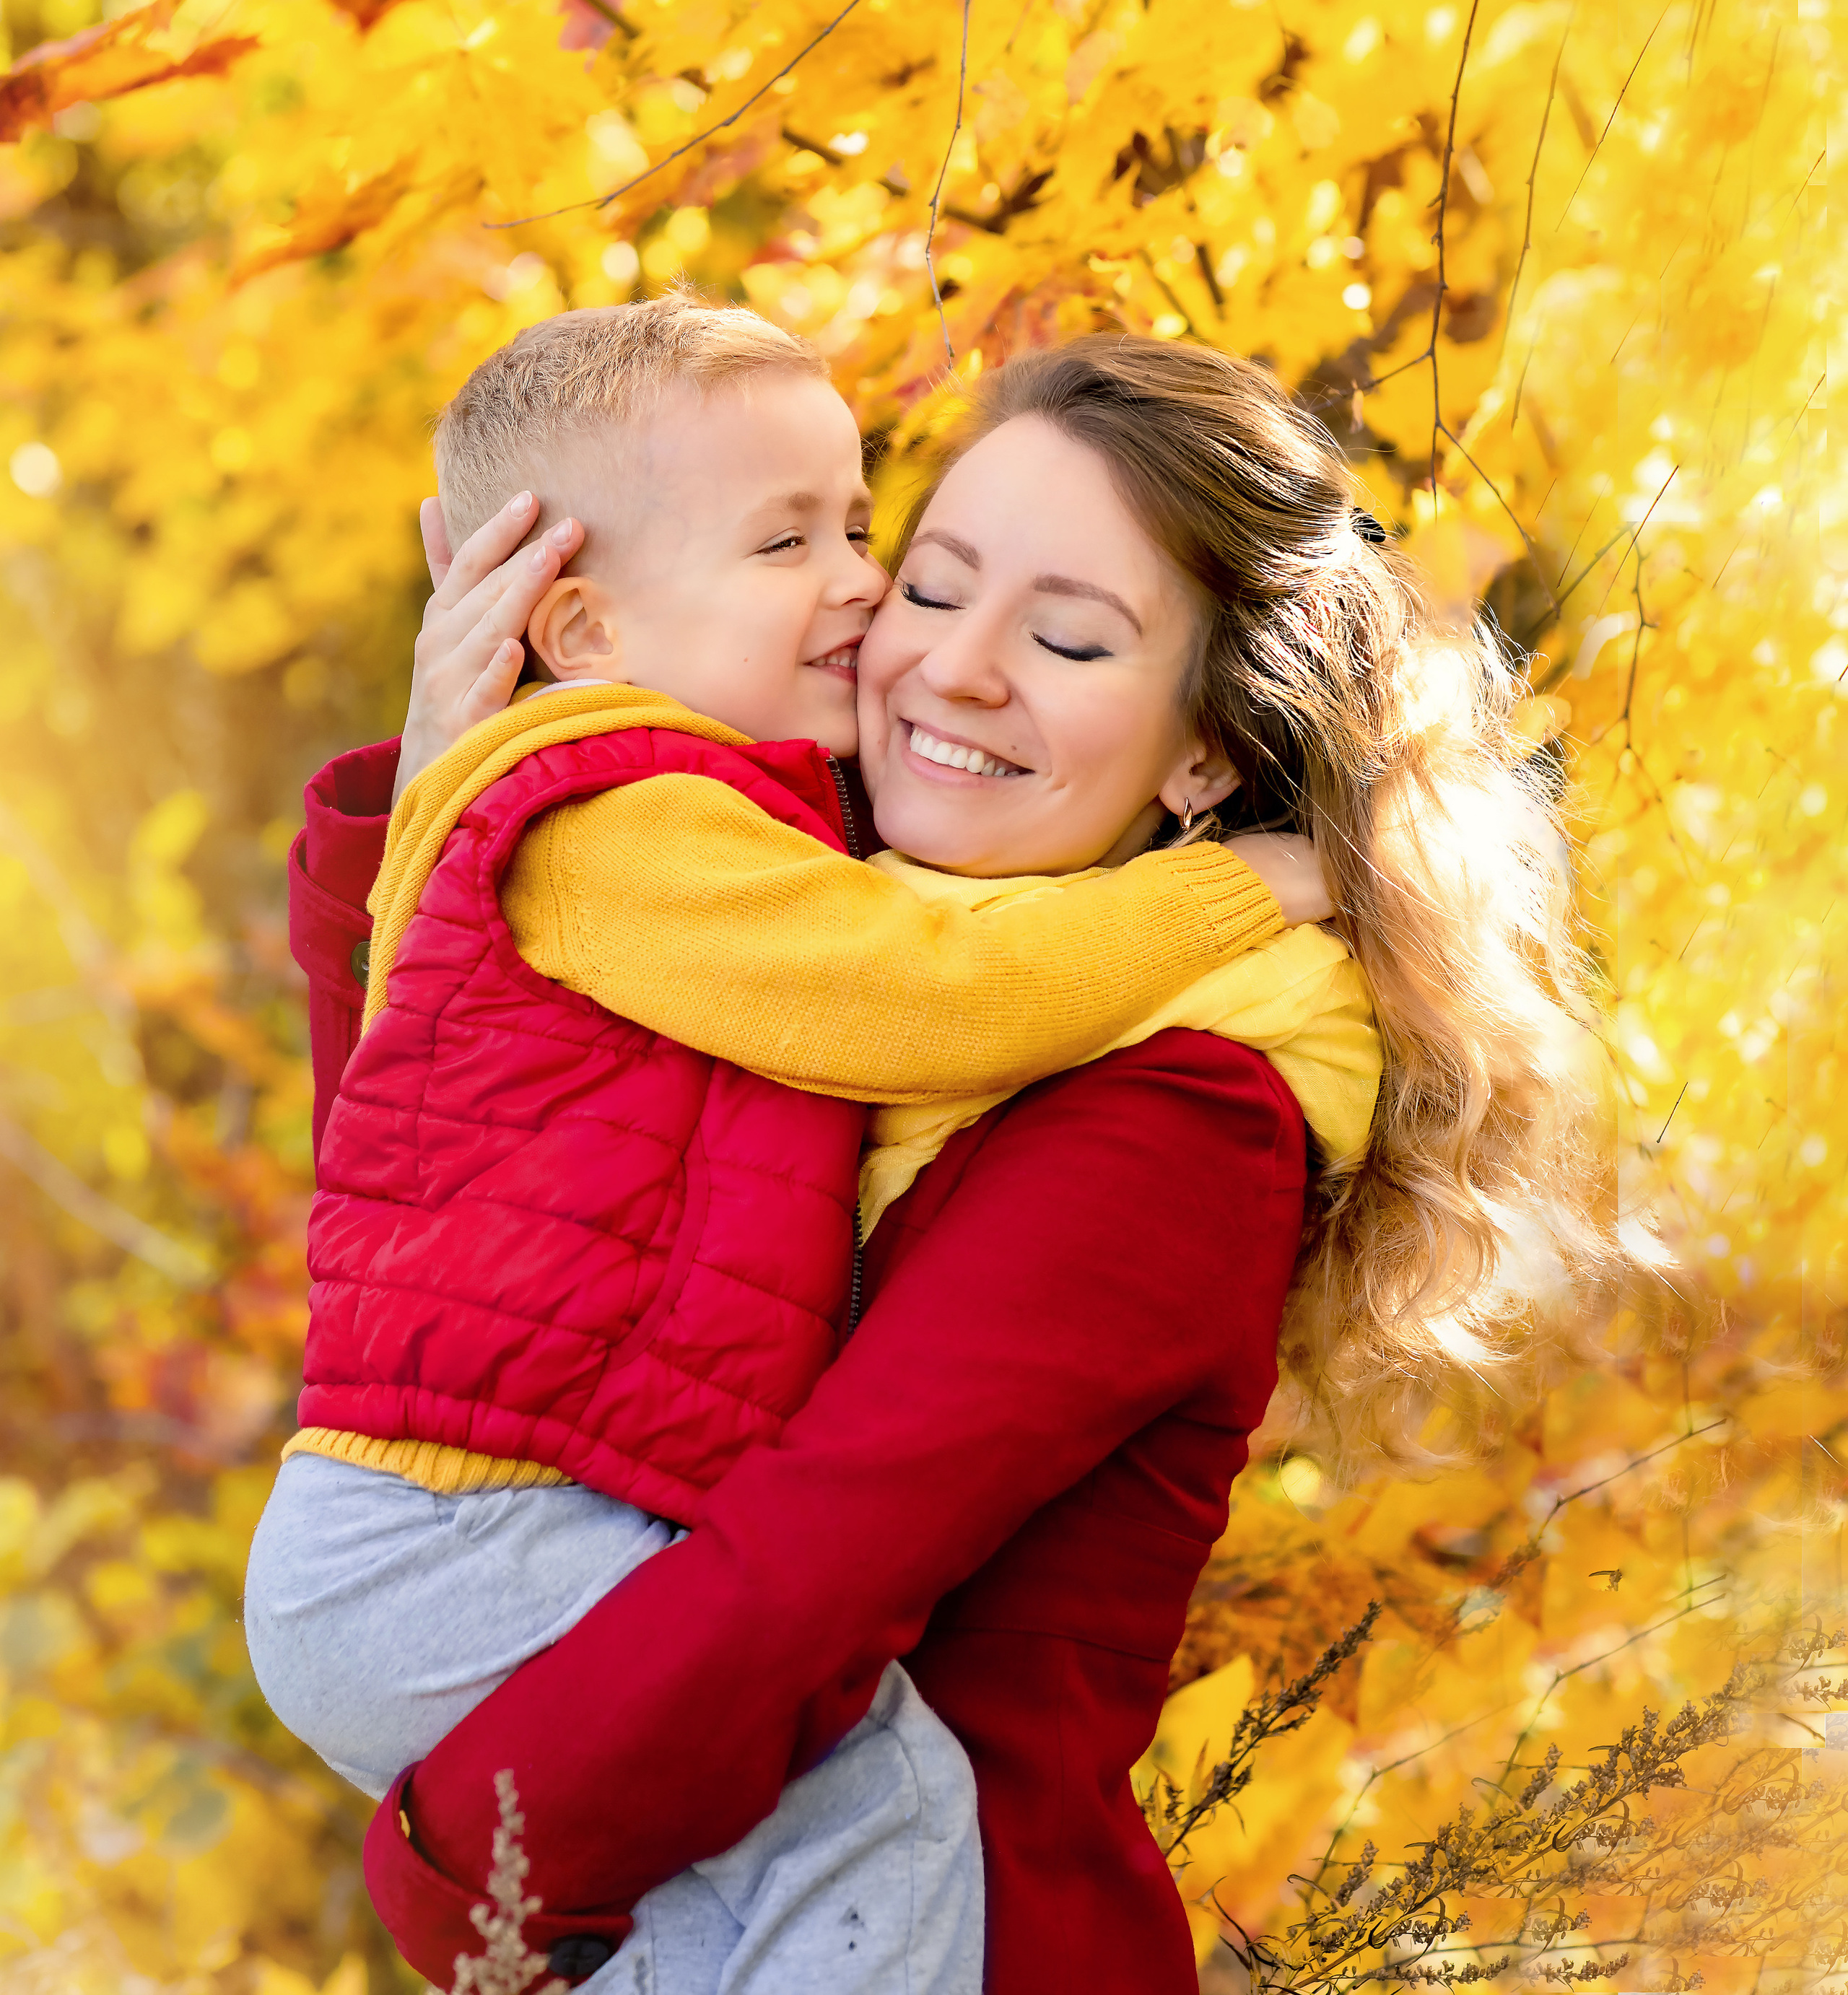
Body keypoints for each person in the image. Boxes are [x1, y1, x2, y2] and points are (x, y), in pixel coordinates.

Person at [289, 333, 1608, 1991]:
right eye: (926, 586)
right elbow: (442, 1232)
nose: (952, 670)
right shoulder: (812, 938)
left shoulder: (1177, 1111)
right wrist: (445, 786)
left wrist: (460, 1871)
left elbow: (810, 1569)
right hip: (694, 1898)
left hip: (945, 1934)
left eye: (1067, 638)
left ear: (1203, 755)